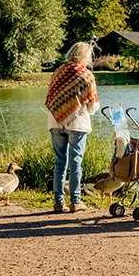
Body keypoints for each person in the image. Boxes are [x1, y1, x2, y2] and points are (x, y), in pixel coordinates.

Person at [44, 41, 100, 213]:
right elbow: (92, 107)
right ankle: (76, 201)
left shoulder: (58, 72)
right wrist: (79, 108)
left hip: (55, 121)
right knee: (76, 163)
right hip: (78, 123)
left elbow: (50, 99)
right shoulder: (86, 75)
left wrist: (63, 110)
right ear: (85, 56)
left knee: (59, 162)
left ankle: (58, 201)